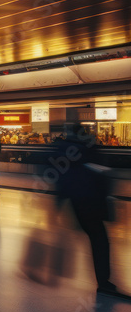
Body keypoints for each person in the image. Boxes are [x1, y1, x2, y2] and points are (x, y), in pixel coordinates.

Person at [53, 127, 129, 300]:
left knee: (97, 238)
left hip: (77, 202)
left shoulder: (64, 150)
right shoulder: (88, 149)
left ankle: (103, 281)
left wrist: (57, 206)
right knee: (100, 240)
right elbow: (103, 174)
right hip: (92, 201)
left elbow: (61, 178)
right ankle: (104, 282)